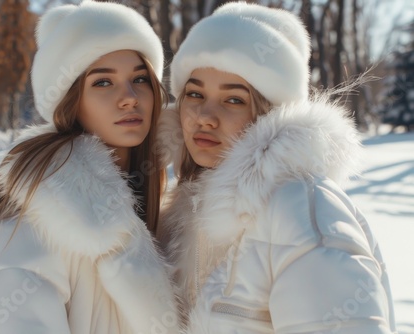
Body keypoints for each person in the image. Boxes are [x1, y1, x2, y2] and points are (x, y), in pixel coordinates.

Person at [157, 2, 396, 333]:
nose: (204, 117)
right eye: (195, 94)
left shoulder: (305, 208)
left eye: (234, 99)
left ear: (270, 112)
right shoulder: (178, 214)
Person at [0, 1, 179, 333]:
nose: (129, 96)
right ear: (70, 101)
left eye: (141, 79)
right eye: (103, 82)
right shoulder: (32, 216)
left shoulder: (162, 213)